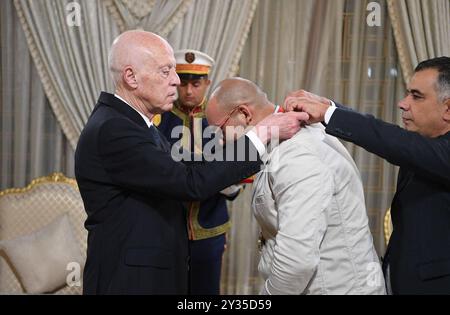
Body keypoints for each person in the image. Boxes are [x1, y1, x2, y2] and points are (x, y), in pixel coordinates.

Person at [74, 30, 306, 295]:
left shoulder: (134, 124)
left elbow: (184, 169)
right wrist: (262, 132)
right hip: (129, 283)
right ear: (131, 77)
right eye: (165, 71)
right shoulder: (115, 129)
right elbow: (189, 183)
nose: (176, 81)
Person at [283, 57, 450, 295]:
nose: (403, 104)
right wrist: (329, 106)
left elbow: (389, 139)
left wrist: (328, 113)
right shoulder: (426, 141)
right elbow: (387, 133)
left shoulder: (430, 149)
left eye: (417, 96)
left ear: (448, 109)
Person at [206, 77, 386, 295]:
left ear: (244, 114)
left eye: (221, 128)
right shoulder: (282, 143)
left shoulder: (297, 154)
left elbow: (297, 260)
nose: (221, 140)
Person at [157, 49, 240, 294]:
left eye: (196, 83)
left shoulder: (223, 121)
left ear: (207, 83)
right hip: (167, 231)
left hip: (210, 229)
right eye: (183, 83)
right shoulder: (159, 119)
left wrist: (217, 172)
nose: (189, 91)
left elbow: (235, 186)